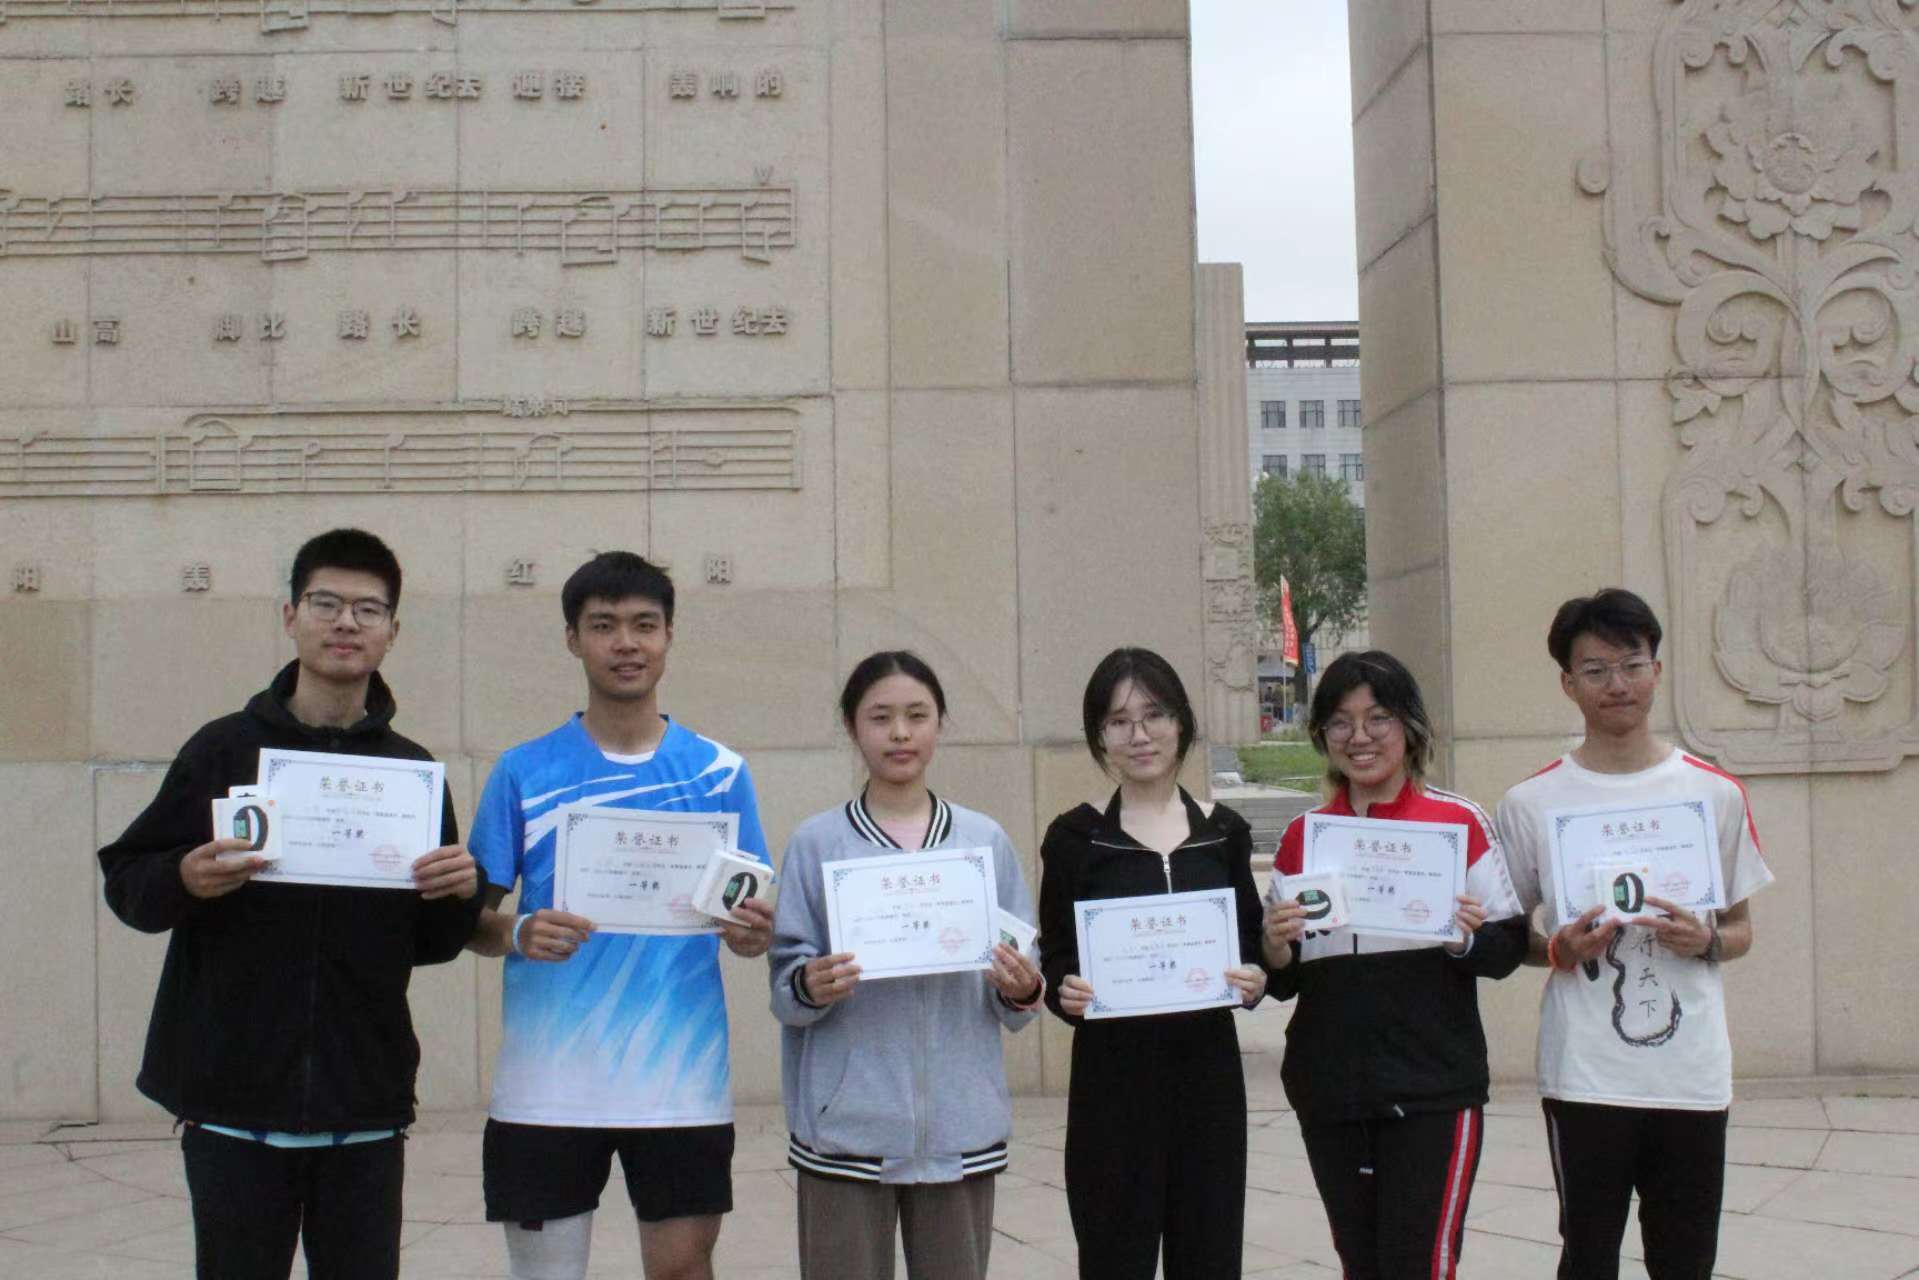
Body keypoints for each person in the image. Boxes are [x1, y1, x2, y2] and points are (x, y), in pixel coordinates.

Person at [97, 528, 483, 1280]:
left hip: (362, 1104)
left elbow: (429, 942)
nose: (346, 623)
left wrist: (458, 892)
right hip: (231, 1102)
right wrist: (183, 876)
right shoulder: (222, 751)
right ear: (290, 616)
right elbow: (129, 885)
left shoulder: (410, 775)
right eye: (326, 603)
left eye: (368, 609)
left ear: (392, 631)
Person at [465, 551, 774, 1280]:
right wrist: (518, 932)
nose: (625, 643)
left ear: (668, 636)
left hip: (679, 1083)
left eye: (644, 624)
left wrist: (752, 935)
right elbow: (468, 921)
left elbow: (750, 924)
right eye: (603, 626)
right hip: (547, 1085)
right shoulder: (523, 772)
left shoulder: (719, 774)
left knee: (681, 1272)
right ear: (572, 638)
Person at [1495, 589, 1771, 1280]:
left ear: (1657, 670)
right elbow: (1509, 936)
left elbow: (1740, 928)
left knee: (1685, 1260)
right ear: (1568, 683)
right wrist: (1558, 949)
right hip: (1585, 1072)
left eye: (1631, 664)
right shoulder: (1531, 803)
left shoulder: (1713, 793)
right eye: (1594, 670)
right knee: (1587, 1257)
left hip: (1690, 1072)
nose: (1616, 684)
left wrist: (1706, 943)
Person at [768, 651, 1044, 1280]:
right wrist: (810, 984)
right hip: (847, 1134)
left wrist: (1022, 985)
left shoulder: (982, 841)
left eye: (917, 715)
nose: (900, 733)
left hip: (959, 1133)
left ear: (940, 723)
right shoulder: (818, 843)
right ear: (851, 727)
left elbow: (1021, 984)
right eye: (880, 717)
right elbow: (785, 989)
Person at [1261, 651, 1527, 1280]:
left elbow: (1509, 947)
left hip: (1433, 1088)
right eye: (1340, 722)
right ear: (1322, 735)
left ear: (1409, 726)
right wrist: (1273, 946)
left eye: (1378, 718)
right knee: (1361, 1264)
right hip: (1331, 1089)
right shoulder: (1305, 835)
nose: (1360, 737)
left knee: (1420, 1265)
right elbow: (1283, 978)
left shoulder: (1457, 823)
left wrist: (1463, 940)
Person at [1037, 647, 1267, 1280]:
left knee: (1209, 1253)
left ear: (1181, 722)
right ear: (1100, 735)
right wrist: (1064, 990)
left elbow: (1250, 945)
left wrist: (1255, 979)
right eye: (1119, 721)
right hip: (1113, 1084)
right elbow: (1055, 953)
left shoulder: (1223, 833)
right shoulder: (1076, 838)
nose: (1139, 735)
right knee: (1114, 1255)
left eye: (1154, 715)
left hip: (1207, 1081)